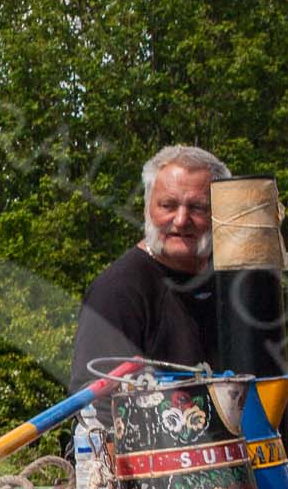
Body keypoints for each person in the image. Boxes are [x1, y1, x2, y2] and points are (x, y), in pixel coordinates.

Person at [69, 145, 230, 392]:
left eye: (197, 207)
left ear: (220, 213)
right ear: (147, 209)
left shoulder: (238, 282)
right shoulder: (117, 293)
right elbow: (94, 403)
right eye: (168, 205)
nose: (181, 220)